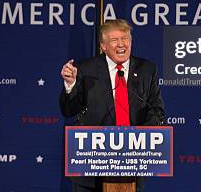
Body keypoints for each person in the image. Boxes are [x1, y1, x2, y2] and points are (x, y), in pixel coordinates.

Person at [59, 19, 166, 192]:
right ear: (103, 45)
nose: (121, 44)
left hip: (132, 163)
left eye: (125, 38)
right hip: (91, 168)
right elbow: (68, 110)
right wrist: (70, 85)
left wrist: (144, 137)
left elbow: (156, 109)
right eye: (114, 40)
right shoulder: (85, 69)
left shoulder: (147, 69)